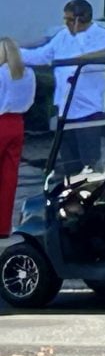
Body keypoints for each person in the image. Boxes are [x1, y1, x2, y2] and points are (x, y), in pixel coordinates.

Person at [22, 0, 105, 174]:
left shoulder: (102, 36)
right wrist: (16, 53)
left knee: (89, 161)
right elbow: (42, 55)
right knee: (69, 160)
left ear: (80, 19)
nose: (66, 24)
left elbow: (91, 61)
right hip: (65, 108)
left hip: (88, 109)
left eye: (70, 20)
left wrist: (77, 34)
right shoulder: (63, 35)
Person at [0, 38, 31, 223]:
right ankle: (3, 225)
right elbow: (30, 100)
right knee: (9, 175)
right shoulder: (28, 74)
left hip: (1, 121)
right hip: (17, 123)